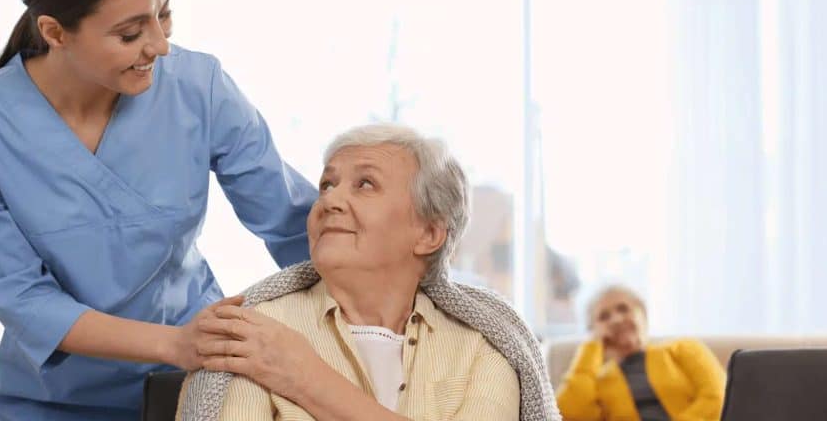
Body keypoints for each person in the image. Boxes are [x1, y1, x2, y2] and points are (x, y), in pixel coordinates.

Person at [0, 0, 316, 419]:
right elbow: (22, 296)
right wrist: (174, 343)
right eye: (130, 32)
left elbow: (295, 226)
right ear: (54, 31)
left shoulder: (197, 86)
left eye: (165, 14)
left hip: (197, 389)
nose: (159, 45)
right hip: (55, 402)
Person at [177, 124, 563, 421]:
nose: (329, 199)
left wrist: (306, 378)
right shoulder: (254, 332)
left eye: (365, 184)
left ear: (429, 233)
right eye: (327, 184)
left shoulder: (484, 346)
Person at [556, 286, 725, 421]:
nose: (616, 320)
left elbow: (718, 396)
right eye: (603, 317)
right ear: (594, 330)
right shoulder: (598, 382)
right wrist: (591, 347)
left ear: (642, 314)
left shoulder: (683, 348)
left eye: (623, 309)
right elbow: (569, 414)